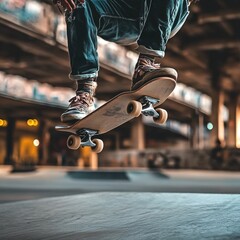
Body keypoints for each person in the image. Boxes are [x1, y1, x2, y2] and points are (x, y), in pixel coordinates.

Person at [53, 0, 197, 122]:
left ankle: (145, 65)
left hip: (165, 11)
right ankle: (84, 95)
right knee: (78, 4)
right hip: (122, 13)